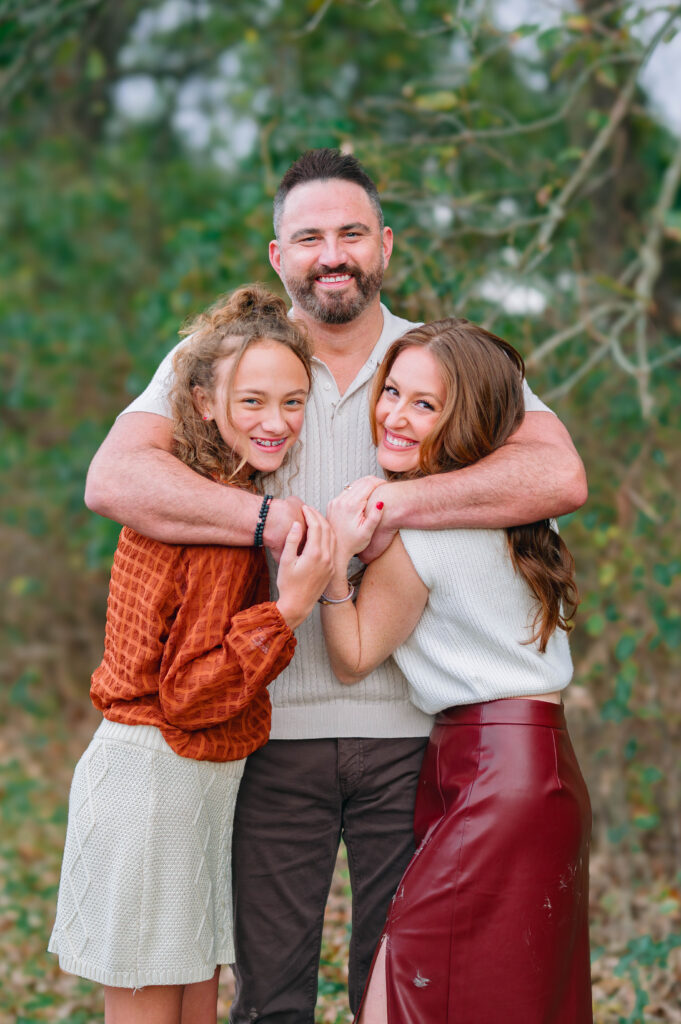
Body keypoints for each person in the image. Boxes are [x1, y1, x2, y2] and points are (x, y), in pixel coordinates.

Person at [83, 149, 588, 1022]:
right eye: (308, 236)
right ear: (277, 256)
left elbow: (557, 475)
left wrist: (394, 500)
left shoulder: (436, 363)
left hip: (413, 741)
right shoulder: (234, 360)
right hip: (272, 734)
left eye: (351, 233)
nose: (332, 253)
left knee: (397, 992)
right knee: (271, 997)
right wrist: (270, 524)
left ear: (384, 245)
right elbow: (115, 480)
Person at [48, 286, 335, 1024]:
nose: (276, 423)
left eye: (294, 402)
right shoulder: (217, 519)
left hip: (191, 783)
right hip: (157, 777)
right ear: (204, 403)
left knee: (191, 1006)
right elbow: (189, 695)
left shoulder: (220, 495)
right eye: (252, 402)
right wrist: (290, 611)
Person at [320, 318, 591, 1024]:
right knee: (512, 998)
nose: (394, 416)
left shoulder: (417, 531)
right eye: (393, 392)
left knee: (405, 995)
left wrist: (331, 572)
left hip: (489, 774)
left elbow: (352, 655)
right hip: (539, 767)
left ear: (463, 419)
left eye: (424, 405)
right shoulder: (524, 512)